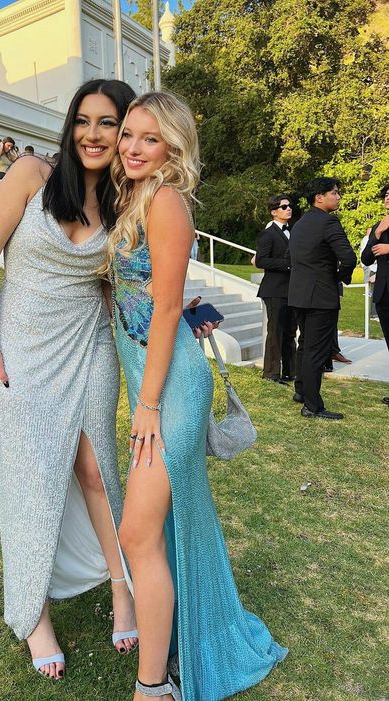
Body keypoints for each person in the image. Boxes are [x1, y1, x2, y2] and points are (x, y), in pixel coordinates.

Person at [104, 91, 287, 701]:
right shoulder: (133, 198)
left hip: (172, 388)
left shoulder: (166, 202)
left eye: (149, 138)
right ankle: (182, 640)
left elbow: (162, 310)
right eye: (129, 134)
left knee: (137, 532)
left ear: (173, 148)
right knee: (160, 526)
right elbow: (155, 294)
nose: (132, 147)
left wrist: (148, 404)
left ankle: (153, 686)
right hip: (155, 380)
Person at [0, 79, 138, 682]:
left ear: (124, 132)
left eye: (108, 123)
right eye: (84, 121)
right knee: (31, 478)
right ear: (70, 127)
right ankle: (34, 612)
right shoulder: (30, 176)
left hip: (89, 345)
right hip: (21, 351)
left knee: (97, 470)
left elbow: (126, 285)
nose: (94, 134)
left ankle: (122, 587)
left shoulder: (125, 202)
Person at [288, 177, 357, 420]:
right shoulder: (329, 221)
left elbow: (292, 258)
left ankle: (301, 392)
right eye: (334, 193)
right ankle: (312, 406)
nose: (338, 197)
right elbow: (349, 258)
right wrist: (339, 277)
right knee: (316, 351)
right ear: (319, 197)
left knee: (306, 345)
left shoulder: (299, 223)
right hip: (321, 296)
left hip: (299, 294)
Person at [255, 195, 297, 384]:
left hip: (291, 290)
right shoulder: (268, 233)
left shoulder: (293, 231)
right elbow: (261, 260)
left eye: (289, 206)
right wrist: (287, 264)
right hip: (274, 290)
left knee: (290, 331)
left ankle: (291, 371)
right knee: (275, 332)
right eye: (284, 206)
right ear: (274, 212)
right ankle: (271, 373)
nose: (289, 209)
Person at [361, 183, 389, 405]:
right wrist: (377, 233)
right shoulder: (379, 225)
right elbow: (366, 258)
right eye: (386, 195)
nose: (388, 198)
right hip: (383, 294)